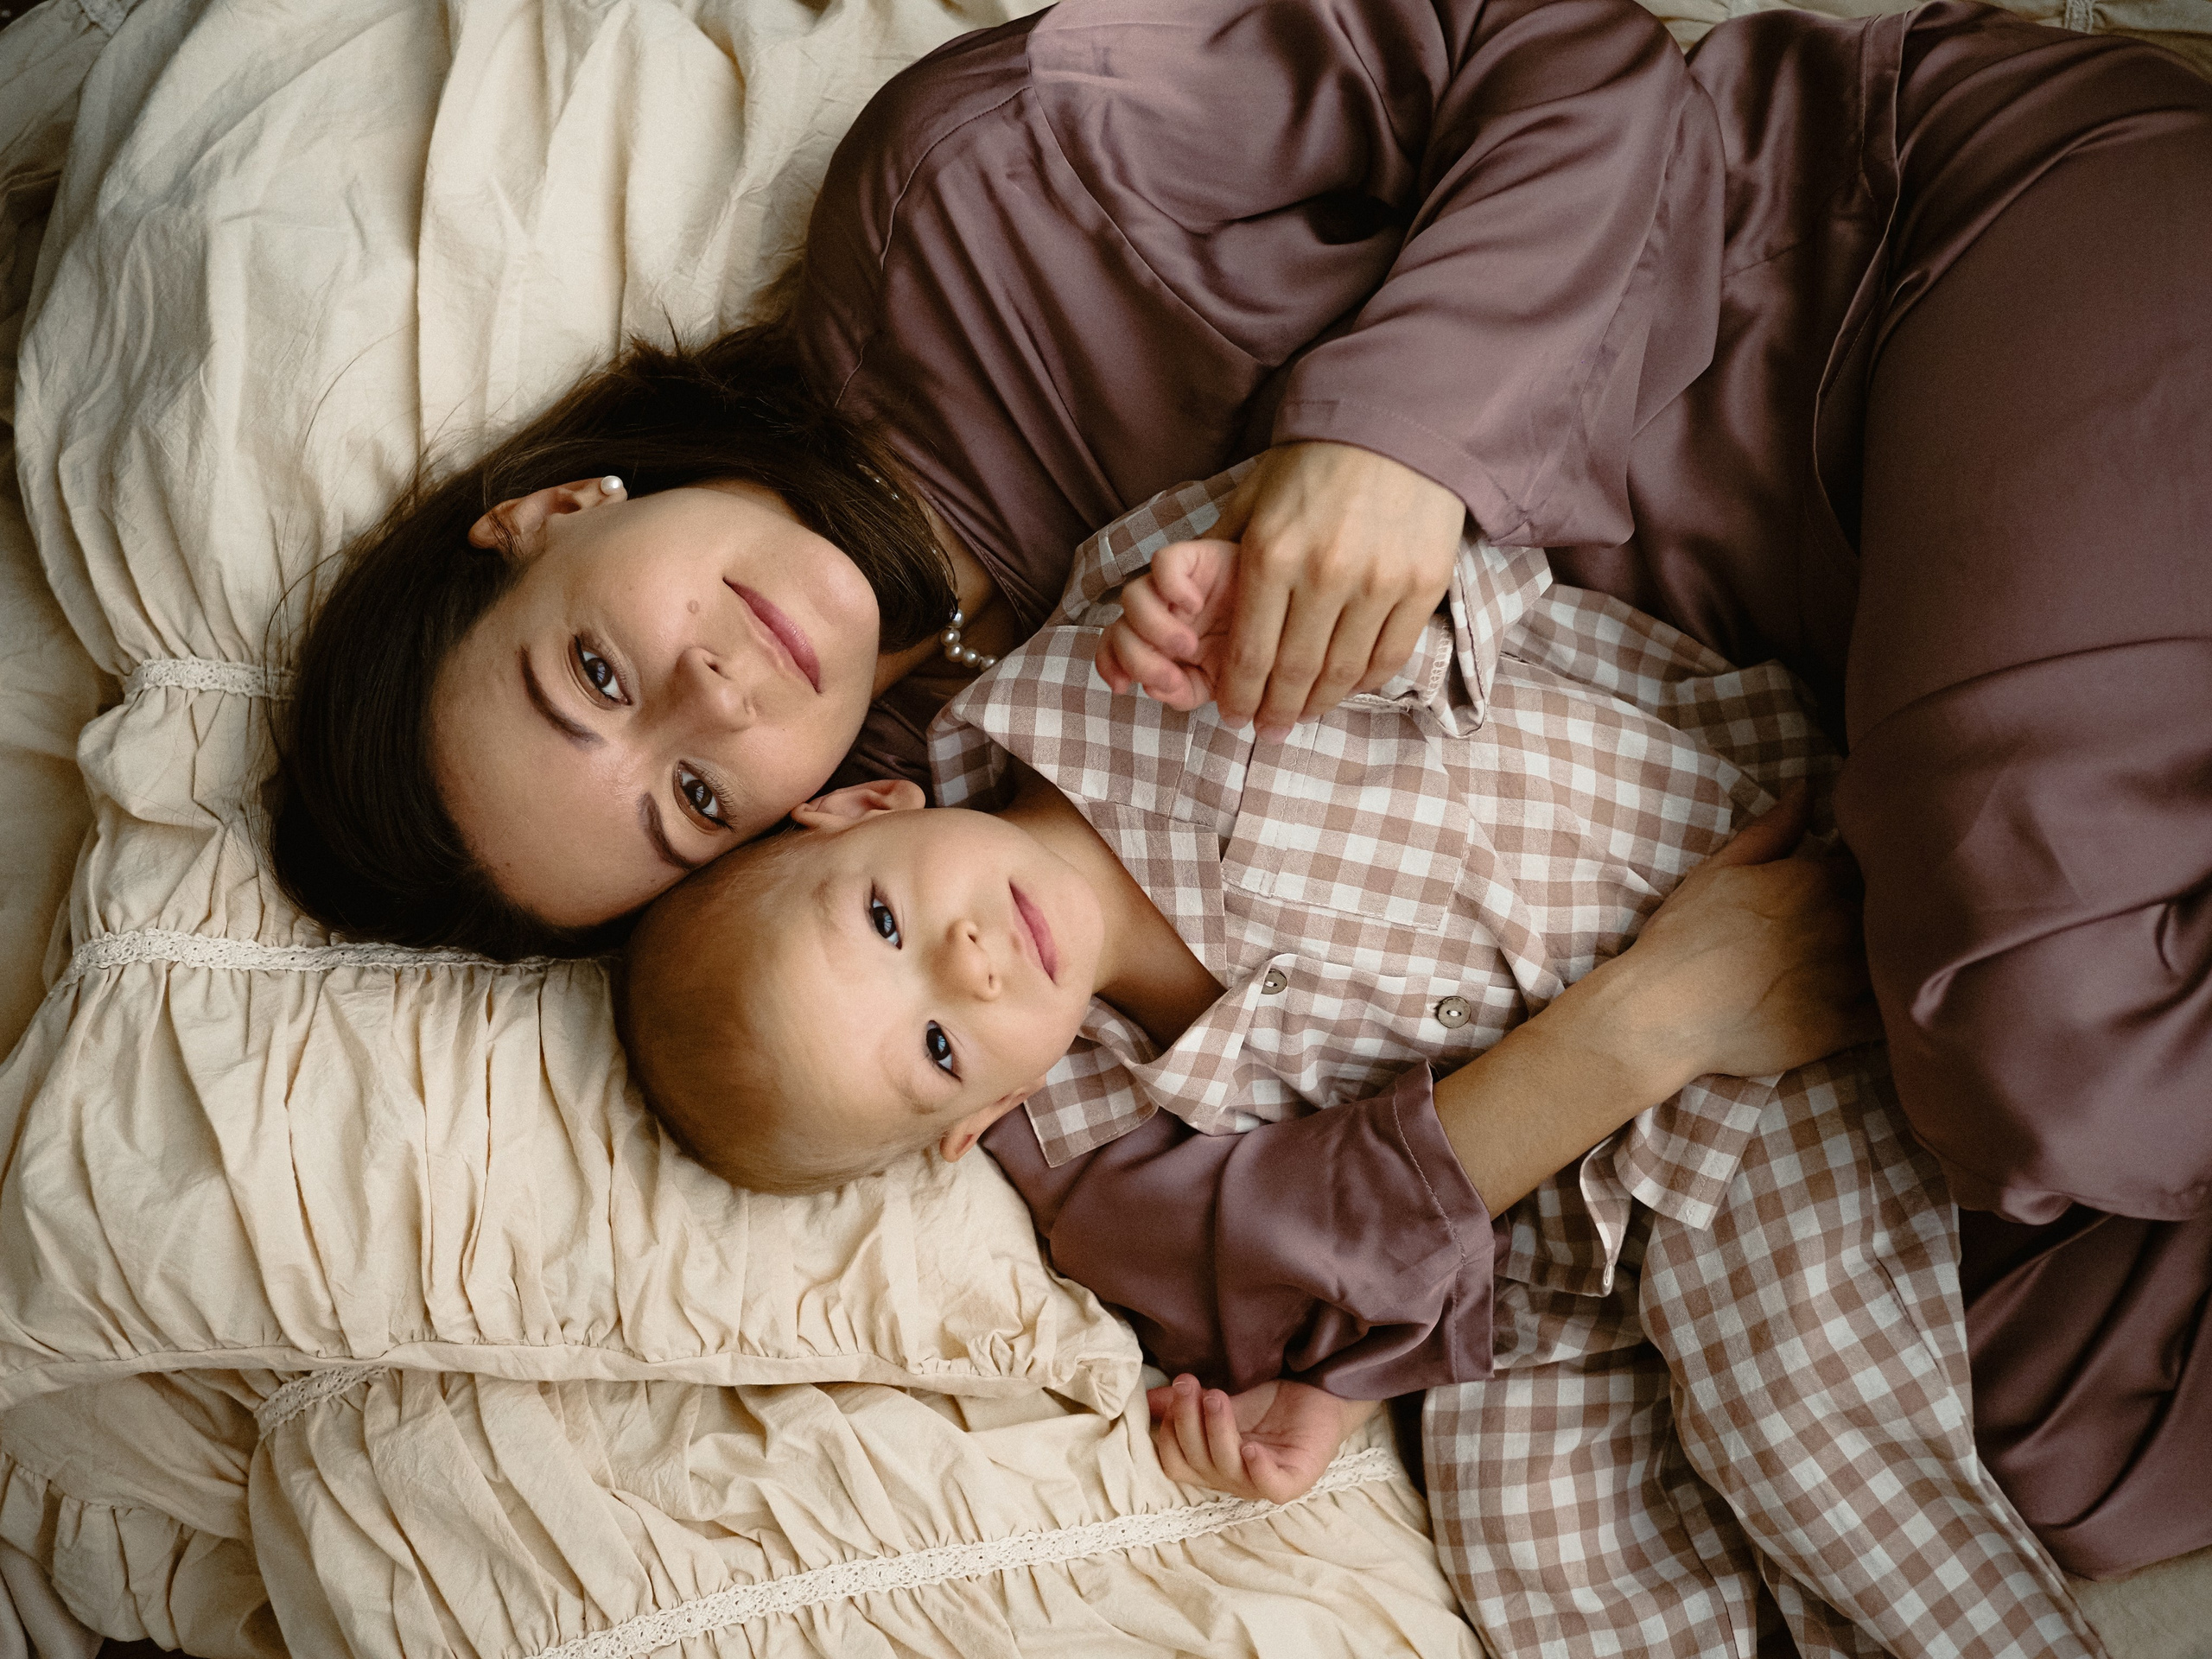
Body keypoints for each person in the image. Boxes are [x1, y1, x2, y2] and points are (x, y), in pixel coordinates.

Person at [272, 0, 2212, 1578]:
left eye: (595, 675)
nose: (711, 697)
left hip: (1898, 298)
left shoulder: (972, 203)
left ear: (547, 512)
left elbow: (1560, 46)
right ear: (777, 834)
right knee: (2023, 1406)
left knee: (2047, 1044)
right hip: (1832, 731)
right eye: (696, 803)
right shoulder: (949, 871)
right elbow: (1222, 1234)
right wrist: (1616, 1056)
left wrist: (1402, 441)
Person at [618, 473, 2100, 1657]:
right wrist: (1314, 1383)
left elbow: (1416, 542)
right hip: (1538, 1264)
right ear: (974, 1117)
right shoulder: (1076, 1136)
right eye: (940, 1044)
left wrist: (1248, 583)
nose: (972, 963)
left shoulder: (1112, 650)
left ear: (865, 806)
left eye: (885, 919)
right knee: (1547, 1561)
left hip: (1746, 970)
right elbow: (1274, 1264)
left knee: (1810, 1443)